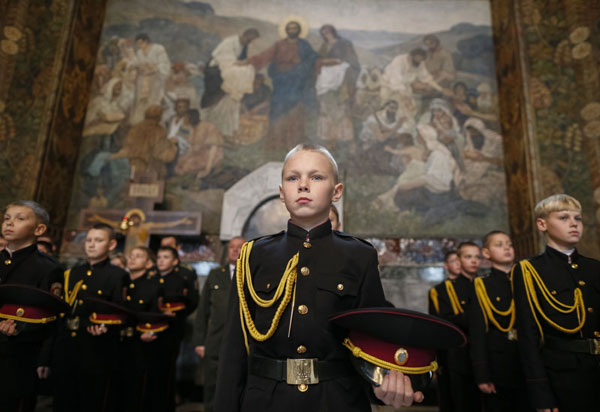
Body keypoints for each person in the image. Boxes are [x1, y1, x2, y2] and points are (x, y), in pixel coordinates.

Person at [213, 143, 423, 411]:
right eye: (293, 178)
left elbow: (370, 337)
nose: (303, 185)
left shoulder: (359, 256)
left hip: (337, 398)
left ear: (336, 192)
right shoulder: (253, 256)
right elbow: (234, 349)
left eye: (316, 177)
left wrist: (381, 385)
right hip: (266, 399)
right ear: (281, 192)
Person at [511, 194, 600, 412]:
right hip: (563, 376)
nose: (573, 224)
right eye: (563, 217)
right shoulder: (530, 270)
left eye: (577, 218)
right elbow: (528, 334)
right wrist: (540, 392)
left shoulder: (594, 268)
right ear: (542, 224)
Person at [52, 223, 128, 412]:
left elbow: (121, 312)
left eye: (98, 240)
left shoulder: (117, 276)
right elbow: (60, 311)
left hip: (96, 348)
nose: (92, 245)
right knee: (63, 400)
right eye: (89, 240)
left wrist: (105, 326)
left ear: (111, 245)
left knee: (91, 400)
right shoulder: (71, 273)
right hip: (67, 346)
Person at [0, 200, 63, 412]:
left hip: (16, 355)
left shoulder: (47, 268)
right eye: (7, 218)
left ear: (39, 229)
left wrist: (20, 328)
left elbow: (49, 315)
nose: (9, 223)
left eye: (20, 219)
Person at [468, 231, 531, 412]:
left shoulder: (526, 281)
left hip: (528, 362)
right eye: (499, 244)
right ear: (486, 253)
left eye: (509, 244)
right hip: (499, 366)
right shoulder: (482, 286)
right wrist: (482, 374)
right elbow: (477, 334)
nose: (506, 248)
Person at [247, 19, 319, 148]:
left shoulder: (304, 45)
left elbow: (313, 57)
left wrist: (301, 68)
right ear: (286, 31)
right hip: (281, 82)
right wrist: (248, 62)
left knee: (296, 109)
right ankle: (277, 141)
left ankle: (295, 140)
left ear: (299, 30)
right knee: (278, 109)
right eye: (290, 28)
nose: (292, 30)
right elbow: (265, 56)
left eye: (294, 28)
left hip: (298, 81)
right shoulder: (279, 45)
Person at [193, 236, 245, 412]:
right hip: (215, 341)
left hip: (242, 341)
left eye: (240, 247)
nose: (235, 250)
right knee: (212, 387)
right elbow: (202, 310)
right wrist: (200, 341)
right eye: (231, 247)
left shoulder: (252, 275)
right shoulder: (216, 274)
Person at [433, 242, 482, 412]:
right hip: (459, 353)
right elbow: (442, 322)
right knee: (460, 400)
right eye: (468, 257)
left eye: (477, 257)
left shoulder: (482, 284)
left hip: (484, 353)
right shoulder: (444, 289)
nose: (474, 261)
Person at [117, 246, 166, 412]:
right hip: (114, 341)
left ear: (148, 263)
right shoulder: (120, 282)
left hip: (138, 344)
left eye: (138, 256)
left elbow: (156, 316)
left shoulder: (153, 287)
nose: (132, 259)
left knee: (134, 390)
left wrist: (149, 332)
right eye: (131, 255)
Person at [201, 28, 260, 137]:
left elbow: (241, 62)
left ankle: (225, 130)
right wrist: (240, 64)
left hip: (230, 69)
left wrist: (242, 64)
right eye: (249, 39)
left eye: (252, 40)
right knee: (240, 72)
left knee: (247, 70)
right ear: (245, 34)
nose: (249, 42)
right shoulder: (229, 42)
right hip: (216, 70)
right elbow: (224, 59)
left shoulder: (245, 46)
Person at [156, 246, 193, 412]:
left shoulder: (179, 280)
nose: (161, 261)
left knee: (167, 372)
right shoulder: (152, 278)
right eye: (159, 257)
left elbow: (186, 305)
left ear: (175, 261)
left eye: (165, 257)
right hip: (150, 331)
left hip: (171, 332)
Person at [316, 24, 360, 149]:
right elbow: (318, 60)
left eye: (328, 31)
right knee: (327, 110)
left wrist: (341, 67)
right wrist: (324, 62)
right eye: (324, 33)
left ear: (333, 32)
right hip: (325, 81)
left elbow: (353, 62)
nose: (326, 34)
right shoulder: (324, 46)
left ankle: (348, 140)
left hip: (342, 81)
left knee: (342, 111)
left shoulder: (344, 43)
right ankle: (331, 140)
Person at [427, 250, 461, 412]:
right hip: (449, 350)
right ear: (446, 266)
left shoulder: (474, 285)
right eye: (454, 261)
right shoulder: (438, 291)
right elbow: (436, 324)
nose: (458, 264)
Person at [130, 33, 171, 124]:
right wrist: (139, 66)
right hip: (143, 80)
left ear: (146, 41)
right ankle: (139, 122)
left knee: (153, 101)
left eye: (140, 43)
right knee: (140, 102)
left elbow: (165, 64)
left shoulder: (158, 48)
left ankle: (153, 122)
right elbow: (135, 63)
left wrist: (153, 67)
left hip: (155, 80)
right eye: (138, 44)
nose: (139, 46)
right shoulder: (139, 52)